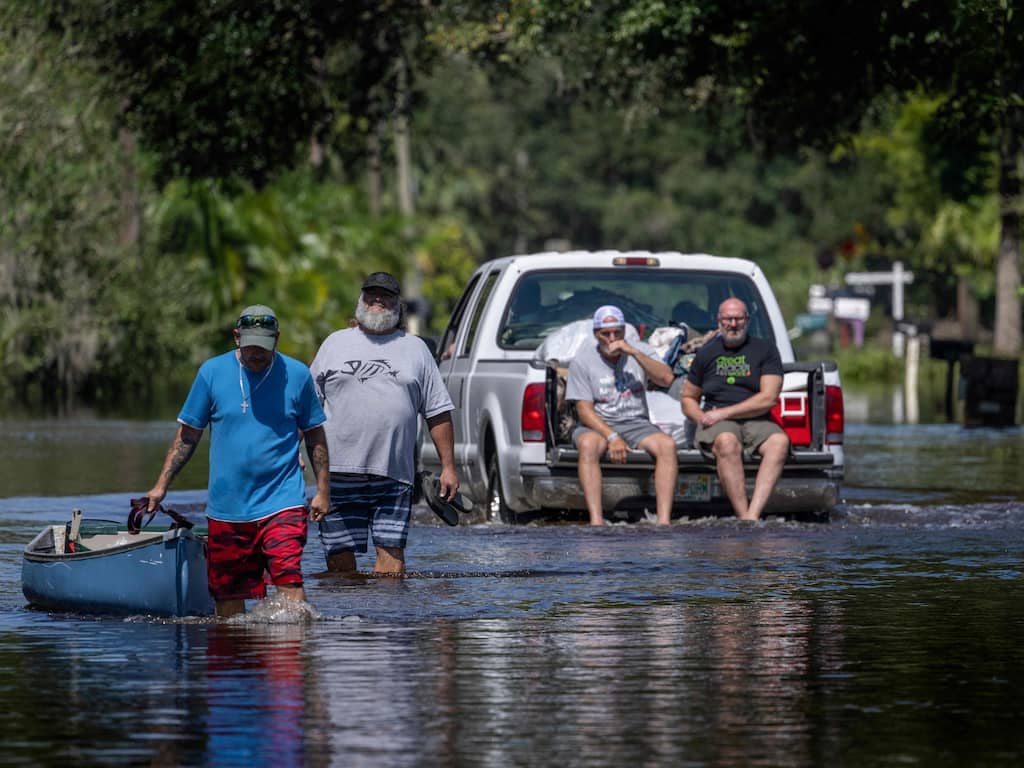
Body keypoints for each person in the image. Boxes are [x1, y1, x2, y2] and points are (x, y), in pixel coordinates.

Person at [145, 305, 331, 617]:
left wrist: (323, 490)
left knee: (288, 578)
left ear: (277, 339)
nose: (257, 353)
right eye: (251, 346)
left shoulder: (297, 376)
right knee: (228, 600)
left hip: (282, 501)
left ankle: (288, 660)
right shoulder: (211, 373)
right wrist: (160, 486)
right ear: (236, 338)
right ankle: (238, 660)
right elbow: (187, 436)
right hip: (227, 509)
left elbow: (315, 435)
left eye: (265, 345)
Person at [309, 271, 458, 576]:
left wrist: (448, 467)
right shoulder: (334, 344)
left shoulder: (416, 349)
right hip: (337, 473)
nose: (377, 300)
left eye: (386, 295)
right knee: (339, 563)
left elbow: (438, 412)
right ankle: (347, 622)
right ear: (360, 300)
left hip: (394, 474)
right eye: (371, 294)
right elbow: (306, 407)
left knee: (392, 564)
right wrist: (292, 451)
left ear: (398, 305)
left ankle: (387, 622)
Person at [565, 305, 678, 526]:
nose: (612, 339)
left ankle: (664, 520)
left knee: (667, 447)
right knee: (589, 445)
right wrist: (611, 436)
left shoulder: (639, 350)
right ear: (596, 334)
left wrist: (634, 352)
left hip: (636, 422)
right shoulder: (583, 360)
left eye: (617, 332)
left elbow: (666, 379)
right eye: (606, 334)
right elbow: (584, 410)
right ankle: (596, 520)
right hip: (598, 423)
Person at [680, 297, 790, 521]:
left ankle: (752, 515)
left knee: (780, 442)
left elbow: (768, 398)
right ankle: (745, 517)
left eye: (738, 318)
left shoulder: (765, 350)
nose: (733, 324)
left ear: (747, 320)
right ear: (719, 321)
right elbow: (688, 398)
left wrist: (725, 412)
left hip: (757, 420)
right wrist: (701, 417)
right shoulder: (705, 353)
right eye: (728, 319)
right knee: (727, 441)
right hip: (717, 424)